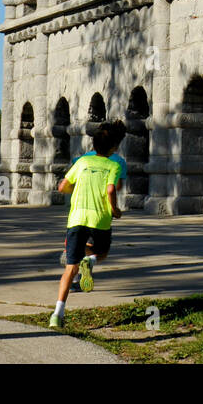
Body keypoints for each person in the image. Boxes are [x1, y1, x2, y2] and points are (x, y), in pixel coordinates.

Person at [49, 120, 125, 329]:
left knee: (69, 268)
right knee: (102, 252)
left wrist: (74, 190)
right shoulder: (114, 165)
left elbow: (63, 186)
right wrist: (115, 209)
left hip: (76, 218)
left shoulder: (81, 162)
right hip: (99, 219)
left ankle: (57, 313)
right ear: (113, 148)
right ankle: (90, 261)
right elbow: (111, 190)